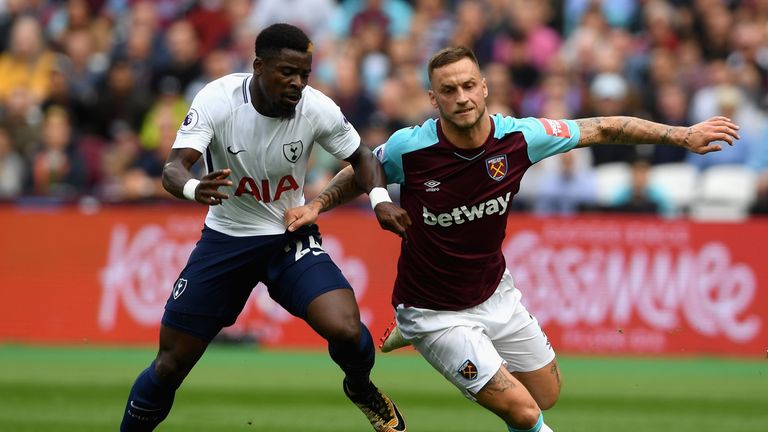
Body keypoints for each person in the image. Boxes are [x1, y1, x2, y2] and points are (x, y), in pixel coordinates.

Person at [284, 46, 740, 432]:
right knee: (525, 412)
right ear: (433, 98)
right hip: (433, 311)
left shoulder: (521, 138)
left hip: (495, 292)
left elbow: (601, 128)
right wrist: (319, 205)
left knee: (546, 393)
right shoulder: (412, 147)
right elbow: (364, 167)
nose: (461, 98)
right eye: (448, 90)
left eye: (468, 86)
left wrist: (680, 135)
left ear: (484, 88)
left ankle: (418, 339)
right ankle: (418, 330)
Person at [120, 23, 410, 432]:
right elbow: (173, 167)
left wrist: (380, 201)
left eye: (305, 74)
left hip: (286, 236)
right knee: (170, 364)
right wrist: (192, 187)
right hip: (226, 239)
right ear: (258, 66)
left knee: (347, 330)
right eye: (287, 72)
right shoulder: (217, 100)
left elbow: (363, 157)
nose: (298, 84)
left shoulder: (316, 108)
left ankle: (360, 388)